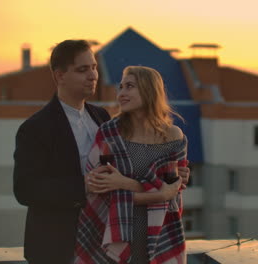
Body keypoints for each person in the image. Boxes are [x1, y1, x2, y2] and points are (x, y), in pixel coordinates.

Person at [13, 40, 190, 264]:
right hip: (57, 246)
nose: (93, 75)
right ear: (60, 76)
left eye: (94, 67)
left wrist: (176, 173)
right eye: (82, 70)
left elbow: (133, 170)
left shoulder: (103, 119)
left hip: (105, 240)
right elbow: (25, 190)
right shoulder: (35, 128)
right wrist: (84, 185)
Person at [75, 66, 188, 264]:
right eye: (120, 87)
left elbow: (175, 191)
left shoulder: (174, 137)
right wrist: (159, 194)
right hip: (114, 234)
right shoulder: (109, 134)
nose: (121, 93)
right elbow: (100, 189)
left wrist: (123, 183)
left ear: (149, 90)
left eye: (129, 87)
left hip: (162, 234)